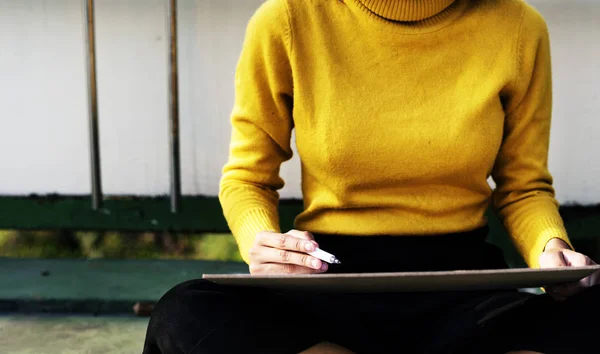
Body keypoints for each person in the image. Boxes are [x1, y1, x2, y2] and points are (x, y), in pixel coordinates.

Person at [143, 0, 600, 353]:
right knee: (185, 312)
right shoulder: (286, 19)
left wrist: (551, 250)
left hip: (463, 290)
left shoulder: (518, 27)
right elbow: (247, 178)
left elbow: (524, 187)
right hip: (326, 277)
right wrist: (265, 244)